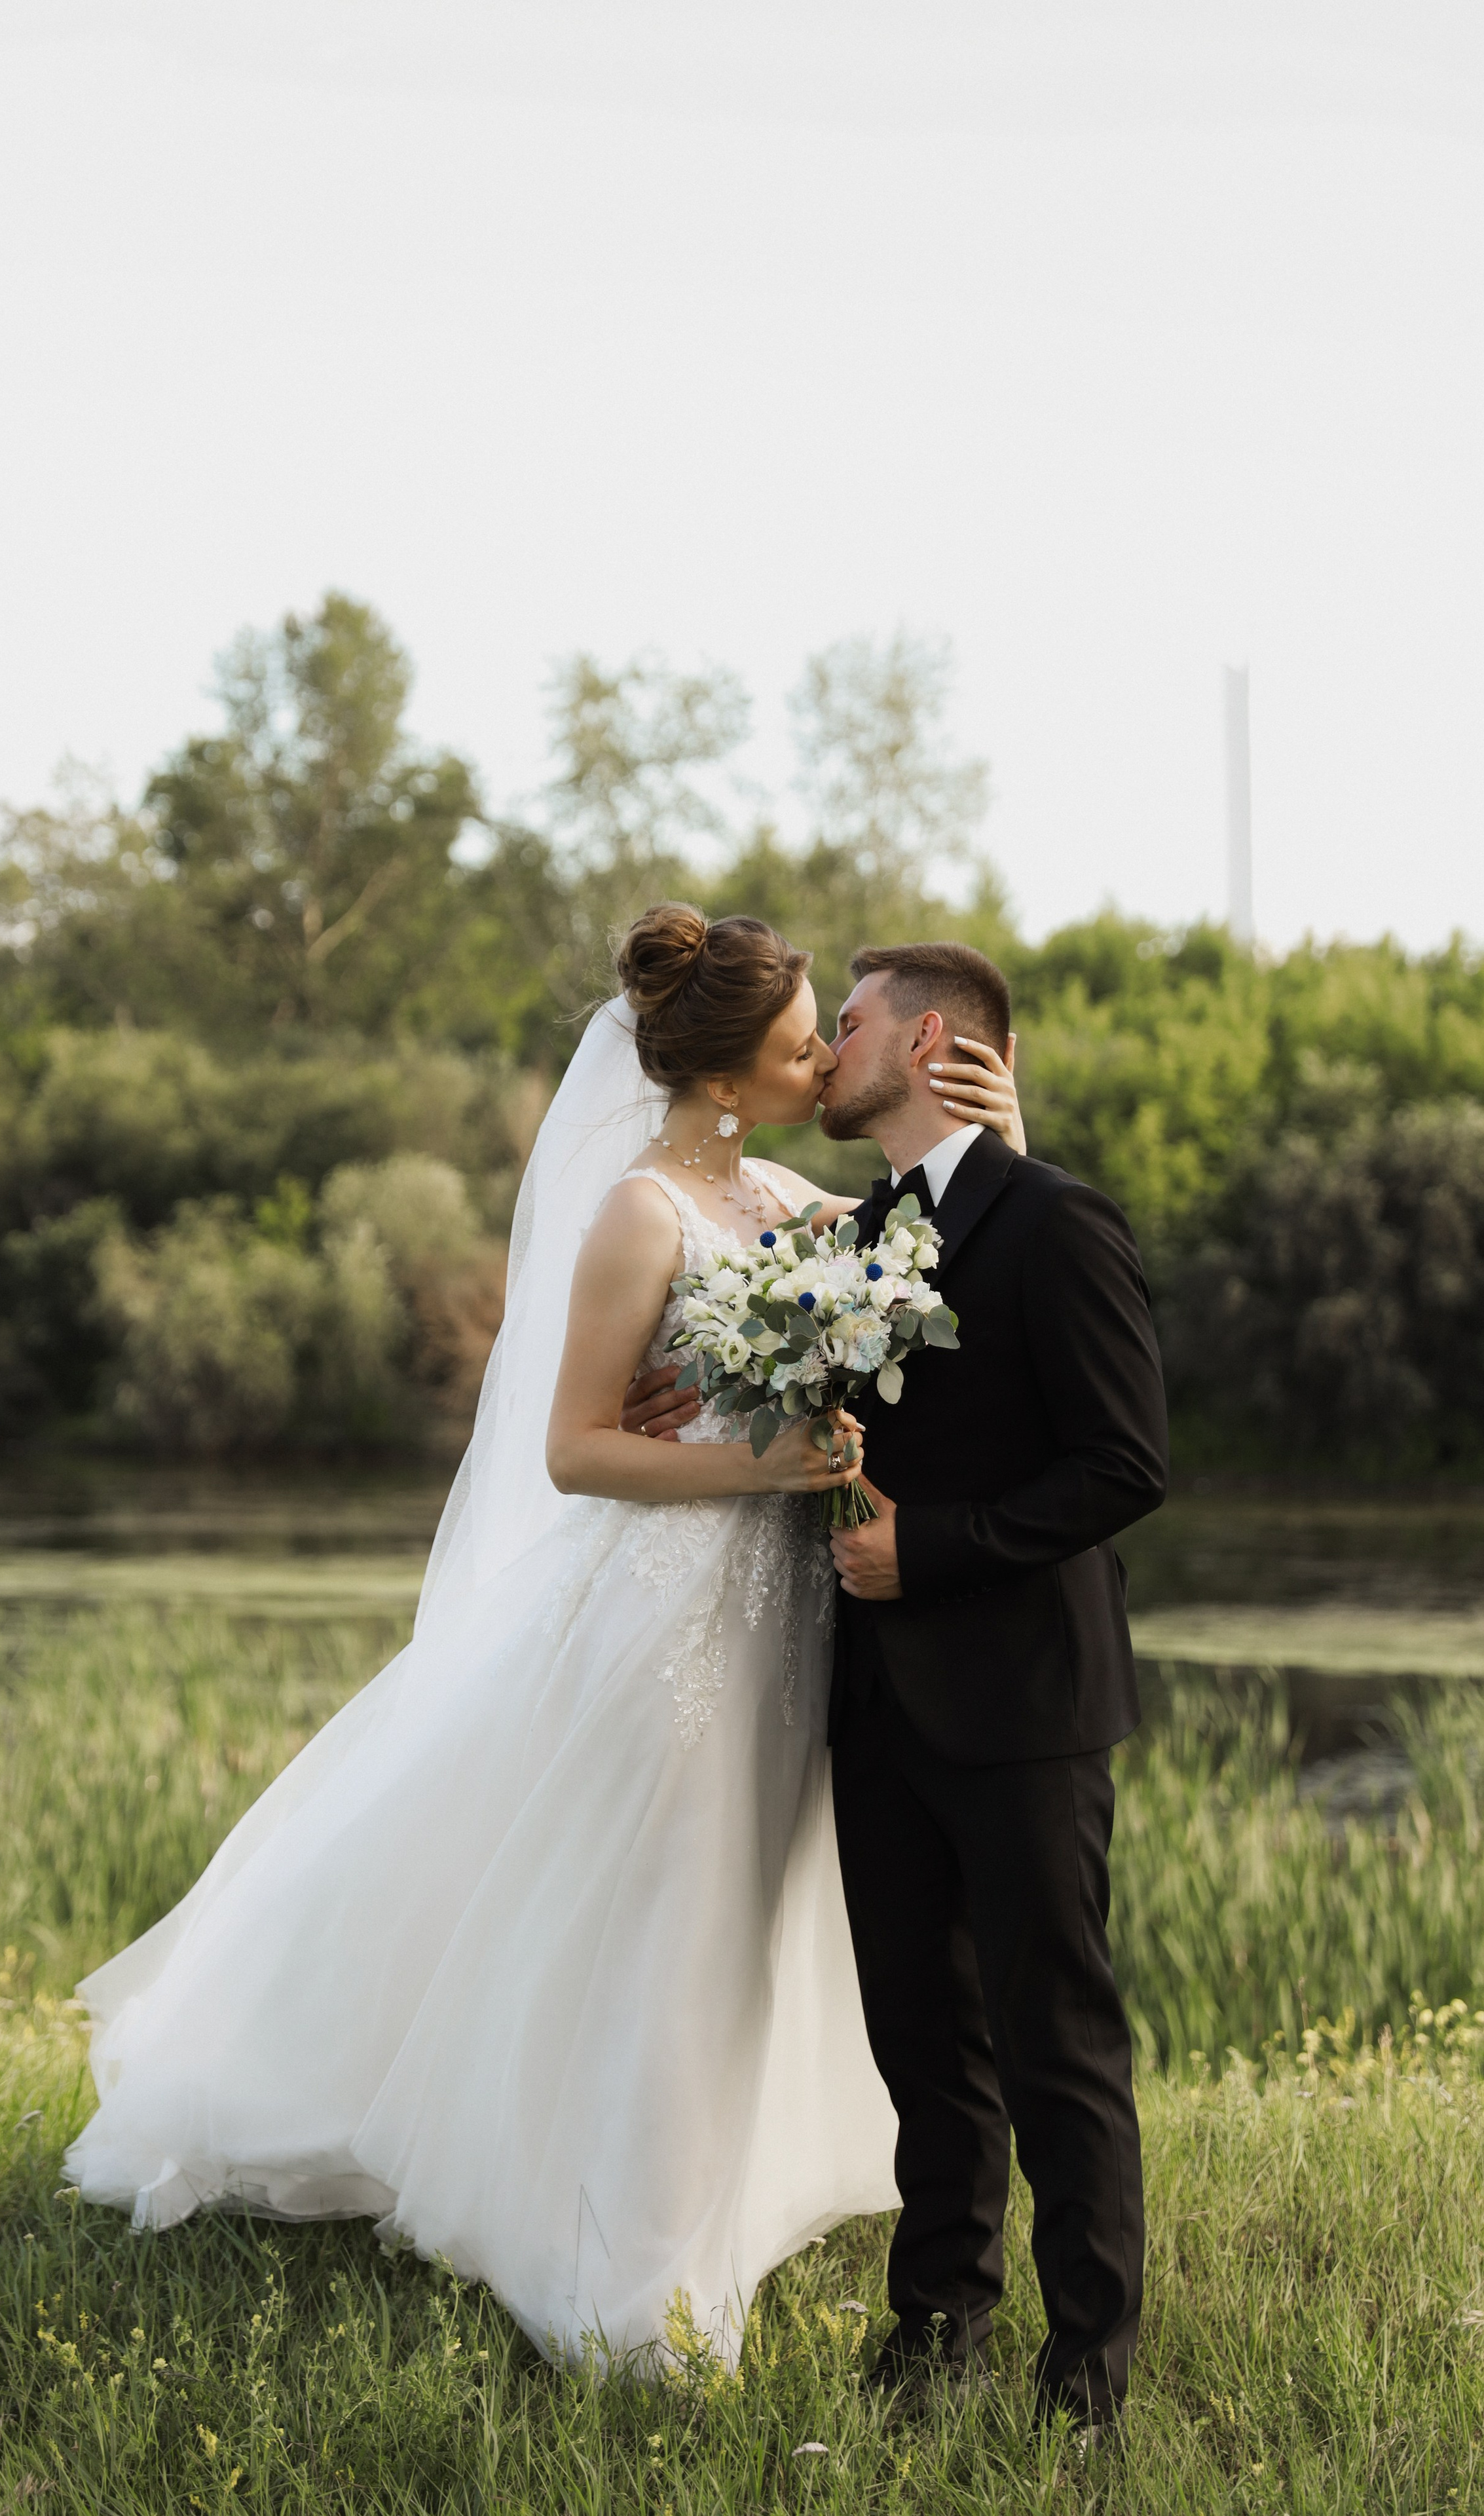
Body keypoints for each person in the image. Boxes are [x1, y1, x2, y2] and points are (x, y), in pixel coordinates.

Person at [64, 905, 1024, 2372]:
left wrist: (1000, 1133)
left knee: (743, 1920)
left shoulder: (779, 1194)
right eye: (796, 1037)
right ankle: (634, 2280)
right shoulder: (641, 1214)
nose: (822, 1054)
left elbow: (956, 1253)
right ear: (722, 1072)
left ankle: (694, 2199)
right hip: (667, 1614)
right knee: (668, 1923)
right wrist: (752, 1464)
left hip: (784, 1620)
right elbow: (577, 1447)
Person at [628, 937, 1166, 2437]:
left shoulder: (1056, 1223)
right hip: (872, 1706)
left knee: (1052, 2040)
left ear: (924, 1041)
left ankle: (1086, 2376)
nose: (821, 1050)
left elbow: (1123, 1466)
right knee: (921, 2041)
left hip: (1022, 1702)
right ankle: (934, 2330)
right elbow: (778, 1361)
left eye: (845, 1024)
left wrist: (924, 1552)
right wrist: (700, 1384)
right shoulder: (851, 1231)